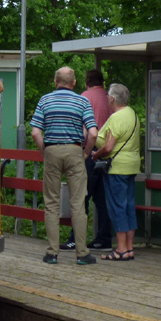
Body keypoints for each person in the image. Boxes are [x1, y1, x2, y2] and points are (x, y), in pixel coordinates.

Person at [30, 67, 99, 266]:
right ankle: (82, 254)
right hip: (75, 151)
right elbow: (93, 133)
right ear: (74, 82)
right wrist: (85, 153)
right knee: (78, 203)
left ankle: (52, 253)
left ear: (55, 82)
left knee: (51, 203)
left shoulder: (45, 100)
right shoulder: (82, 101)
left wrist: (45, 151)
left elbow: (35, 132)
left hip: (52, 150)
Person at [62, 69, 113, 252]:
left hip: (90, 153)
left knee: (81, 196)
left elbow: (84, 128)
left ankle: (76, 239)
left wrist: (83, 151)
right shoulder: (109, 98)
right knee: (102, 199)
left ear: (86, 82)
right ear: (102, 82)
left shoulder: (85, 97)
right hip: (107, 154)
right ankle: (104, 238)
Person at [91, 82, 141, 261]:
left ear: (112, 99)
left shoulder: (116, 118)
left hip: (116, 167)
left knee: (117, 206)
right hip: (131, 166)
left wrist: (96, 154)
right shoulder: (132, 114)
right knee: (128, 205)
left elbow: (109, 146)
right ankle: (129, 247)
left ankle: (120, 249)